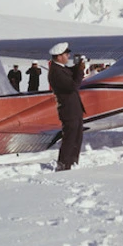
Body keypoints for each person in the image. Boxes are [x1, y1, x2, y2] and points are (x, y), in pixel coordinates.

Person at [48, 42, 86, 171]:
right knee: (69, 138)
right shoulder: (56, 72)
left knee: (77, 136)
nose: (68, 56)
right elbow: (72, 86)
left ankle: (72, 162)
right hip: (68, 110)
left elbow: (69, 72)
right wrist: (80, 71)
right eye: (66, 54)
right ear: (59, 56)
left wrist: (77, 67)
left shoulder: (60, 68)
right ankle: (64, 164)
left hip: (74, 109)